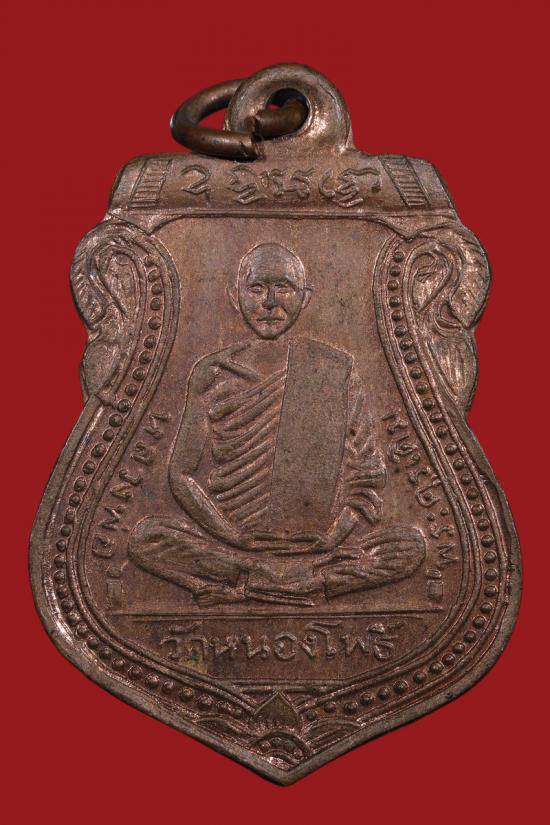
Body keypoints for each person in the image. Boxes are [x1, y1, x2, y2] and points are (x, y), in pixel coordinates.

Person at [129, 243, 424, 606]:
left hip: (318, 549)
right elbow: (181, 474)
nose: (270, 303)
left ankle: (266, 583)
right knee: (147, 538)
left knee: (408, 545)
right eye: (257, 288)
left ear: (305, 297)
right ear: (235, 297)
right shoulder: (212, 372)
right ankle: (289, 582)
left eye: (283, 288)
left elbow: (365, 474)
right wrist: (232, 536)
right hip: (234, 548)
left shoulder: (335, 369)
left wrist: (333, 537)